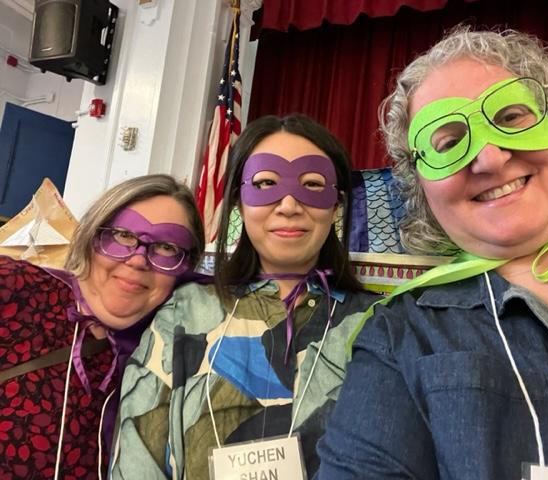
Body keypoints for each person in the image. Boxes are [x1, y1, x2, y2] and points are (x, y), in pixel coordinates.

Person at [316, 26, 548, 479]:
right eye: (448, 144)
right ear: (420, 183)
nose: (489, 159)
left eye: (510, 117)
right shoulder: (401, 339)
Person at [110, 114, 378, 479]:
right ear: (238, 201)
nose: (288, 205)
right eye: (266, 183)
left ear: (336, 206)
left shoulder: (376, 323)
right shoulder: (186, 312)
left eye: (312, 185)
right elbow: (139, 453)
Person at [0, 174, 206, 479]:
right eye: (123, 235)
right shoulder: (15, 289)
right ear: (92, 236)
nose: (138, 261)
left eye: (165, 246)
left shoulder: (168, 357)